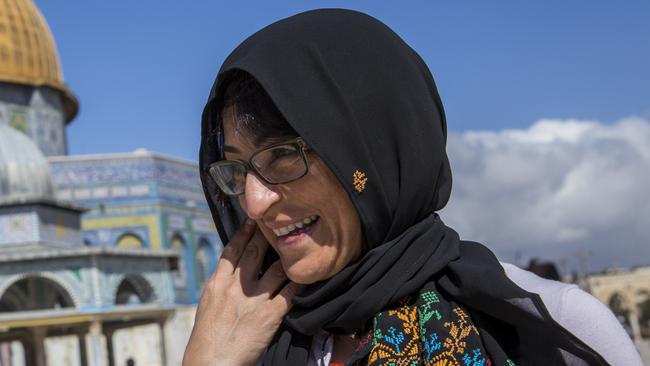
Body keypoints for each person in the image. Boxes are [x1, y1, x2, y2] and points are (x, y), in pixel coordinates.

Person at [185, 9, 642, 366]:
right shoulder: (246, 343)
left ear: (370, 150)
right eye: (239, 171)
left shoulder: (545, 327)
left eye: (283, 154)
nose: (253, 201)